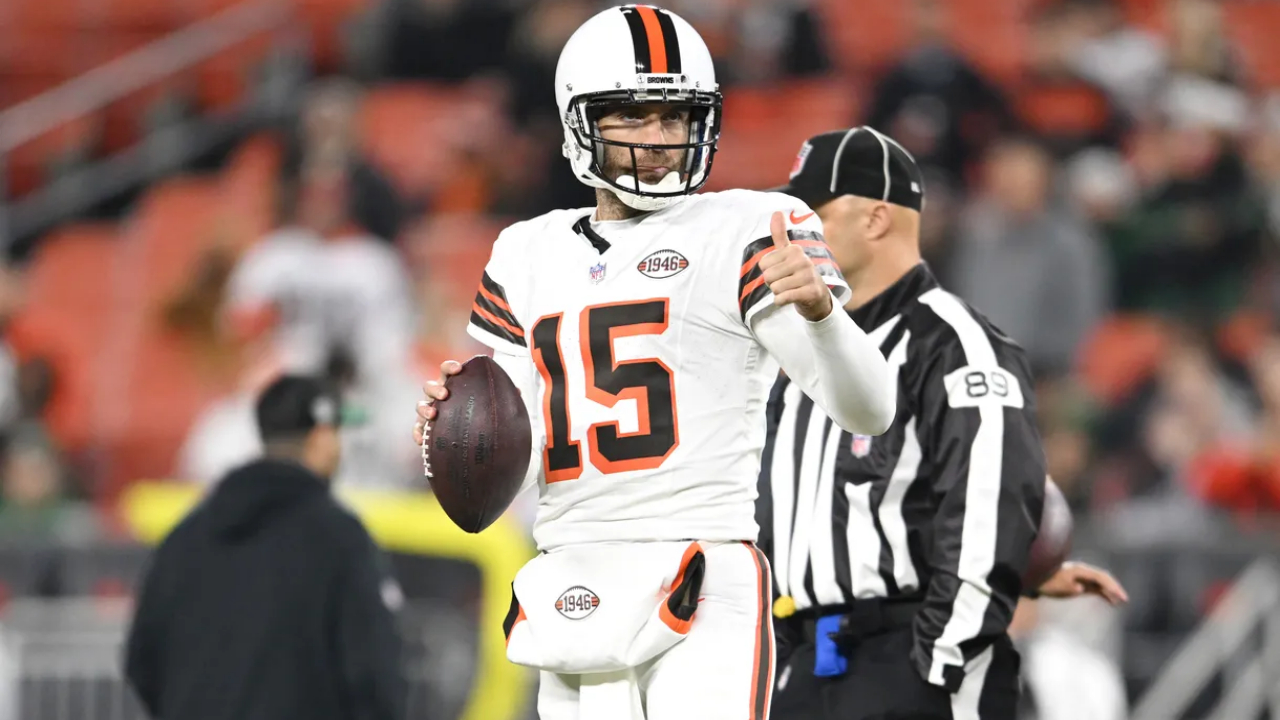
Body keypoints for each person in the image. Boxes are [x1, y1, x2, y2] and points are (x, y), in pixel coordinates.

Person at [412, 6, 897, 719]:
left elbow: (871, 409)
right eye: (633, 117)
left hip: (700, 567)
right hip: (570, 571)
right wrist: (452, 435)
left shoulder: (749, 227)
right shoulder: (525, 252)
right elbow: (512, 445)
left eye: (675, 117)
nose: (659, 139)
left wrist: (826, 320)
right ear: (579, 121)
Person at [757, 127, 1127, 720]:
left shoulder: (955, 342)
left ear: (876, 220)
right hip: (806, 661)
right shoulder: (801, 347)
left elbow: (989, 502)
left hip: (907, 660)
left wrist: (941, 658)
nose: (793, 230)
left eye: (812, 213)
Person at [125, 375, 406, 720]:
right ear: (321, 438)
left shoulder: (186, 536)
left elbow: (142, 660)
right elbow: (372, 672)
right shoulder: (338, 538)